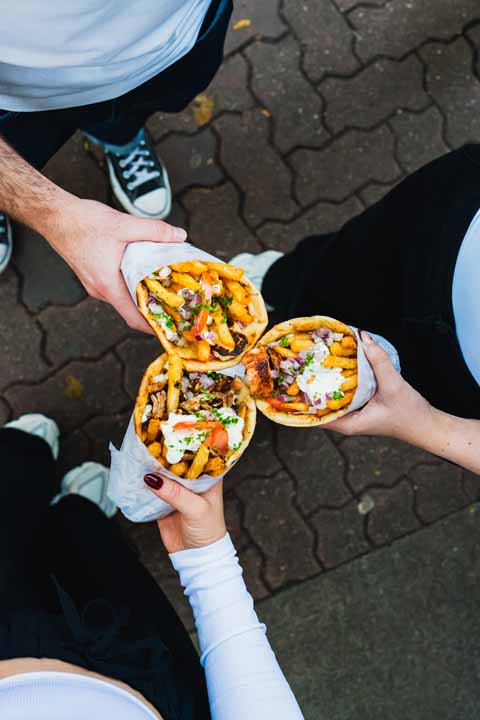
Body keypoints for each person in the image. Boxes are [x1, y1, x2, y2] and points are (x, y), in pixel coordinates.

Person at [0, 413, 304, 719]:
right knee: (106, 569)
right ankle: (77, 508)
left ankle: (24, 456)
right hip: (155, 691)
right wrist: (207, 562)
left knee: (8, 530)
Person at [231, 145, 480, 475]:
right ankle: (275, 282)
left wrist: (427, 426)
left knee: (358, 375)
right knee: (337, 266)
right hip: (455, 217)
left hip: (456, 378)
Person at [0, 0, 232, 331]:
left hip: (175, 36)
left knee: (125, 117)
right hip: (15, 90)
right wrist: (48, 212)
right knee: (18, 156)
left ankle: (121, 140)